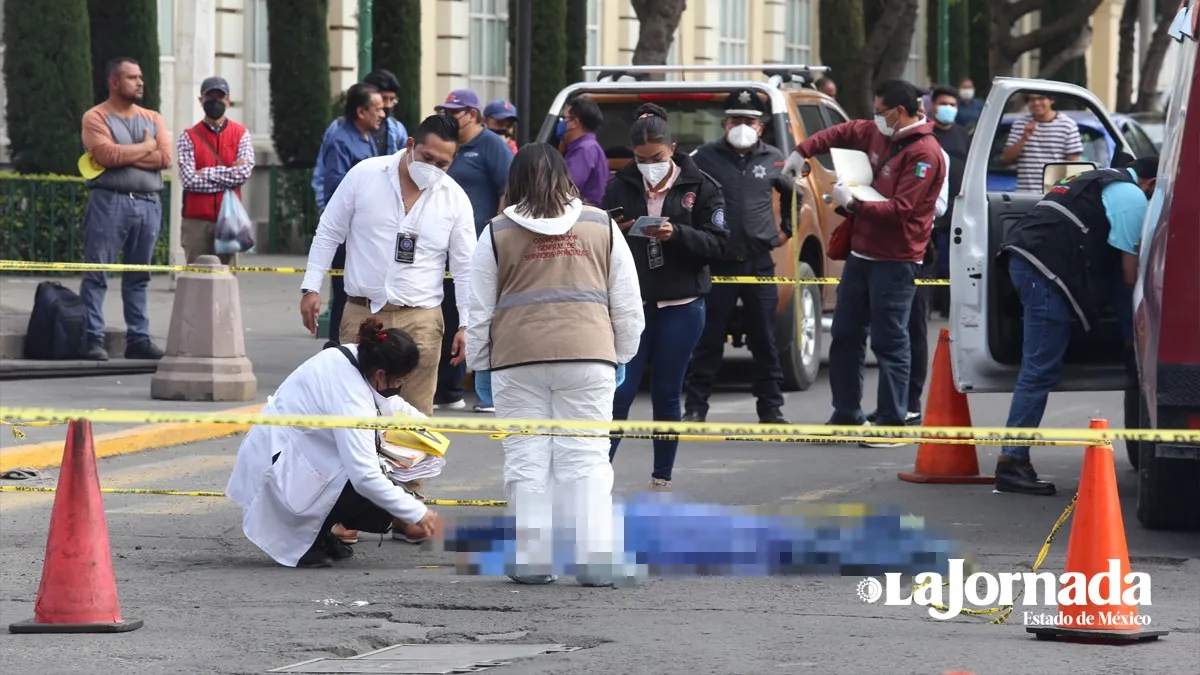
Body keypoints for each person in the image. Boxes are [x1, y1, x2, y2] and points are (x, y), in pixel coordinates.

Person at [466, 143, 645, 585]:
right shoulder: (600, 224)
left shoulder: (495, 232)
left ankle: (530, 561)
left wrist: (480, 366)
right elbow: (626, 302)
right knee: (585, 460)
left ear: (515, 183)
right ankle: (595, 562)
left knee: (526, 460)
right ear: (567, 176)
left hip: (516, 361)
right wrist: (621, 355)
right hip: (589, 357)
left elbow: (478, 311)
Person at [781, 79, 946, 447]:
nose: (875, 119)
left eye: (880, 111)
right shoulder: (876, 131)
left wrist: (853, 203)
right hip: (861, 253)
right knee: (844, 336)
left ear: (900, 112)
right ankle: (846, 414)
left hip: (896, 259)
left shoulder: (925, 154)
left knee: (890, 342)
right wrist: (801, 151)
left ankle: (891, 422)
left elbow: (901, 210)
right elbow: (843, 130)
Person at [994, 156, 1158, 496]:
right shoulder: (1132, 197)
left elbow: (1113, 272)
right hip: (1044, 270)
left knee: (1039, 367)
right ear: (1152, 184)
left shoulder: (1095, 179)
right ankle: (1012, 463)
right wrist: (1132, 344)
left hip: (1028, 259)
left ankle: (1013, 459)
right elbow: (1129, 278)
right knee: (1039, 369)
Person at [226, 317, 444, 568]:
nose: (400, 387)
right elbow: (365, 477)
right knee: (371, 490)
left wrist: (427, 426)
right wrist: (417, 513)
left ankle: (322, 531)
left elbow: (389, 403)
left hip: (296, 451)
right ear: (381, 374)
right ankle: (312, 538)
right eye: (399, 381)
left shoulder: (356, 358)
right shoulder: (351, 401)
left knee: (375, 474)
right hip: (281, 461)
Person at [300, 113, 473, 418]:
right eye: (426, 157)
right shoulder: (364, 175)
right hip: (363, 316)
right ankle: (363, 468)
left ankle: (410, 469)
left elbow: (465, 268)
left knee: (414, 418)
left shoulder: (455, 199)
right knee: (354, 412)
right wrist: (311, 286)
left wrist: (467, 325)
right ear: (410, 145)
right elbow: (328, 231)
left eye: (442, 164)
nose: (432, 168)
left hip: (421, 320)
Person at [603, 103, 729, 491]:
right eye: (640, 159)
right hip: (632, 305)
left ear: (672, 148)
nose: (648, 165)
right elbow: (601, 237)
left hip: (682, 304)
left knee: (666, 393)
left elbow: (719, 244)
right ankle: (596, 475)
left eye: (656, 158)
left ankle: (662, 477)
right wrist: (620, 231)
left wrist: (678, 234)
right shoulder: (620, 184)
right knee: (619, 393)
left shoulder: (702, 186)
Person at [683, 89, 794, 425]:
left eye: (749, 121)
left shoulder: (775, 158)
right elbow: (686, 197)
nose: (742, 126)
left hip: (759, 261)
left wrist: (786, 230)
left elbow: (793, 194)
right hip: (718, 262)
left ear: (760, 126)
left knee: (765, 337)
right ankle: (695, 408)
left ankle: (770, 409)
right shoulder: (703, 157)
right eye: (736, 120)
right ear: (724, 124)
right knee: (708, 337)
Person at [79, 57, 172, 362]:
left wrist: (129, 155)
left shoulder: (153, 117)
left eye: (140, 77)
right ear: (114, 82)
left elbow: (165, 159)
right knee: (97, 273)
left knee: (139, 276)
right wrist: (146, 148)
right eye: (132, 77)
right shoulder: (95, 117)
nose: (140, 82)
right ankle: (92, 338)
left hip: (148, 203)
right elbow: (106, 155)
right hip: (109, 201)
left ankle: (139, 338)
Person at [432, 90, 513, 413]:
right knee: (450, 317)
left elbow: (508, 189)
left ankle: (488, 393)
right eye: (446, 110)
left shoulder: (492, 145)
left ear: (474, 114)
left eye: (457, 111)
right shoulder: (446, 145)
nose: (451, 116)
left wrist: (498, 233)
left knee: (484, 318)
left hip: (481, 247)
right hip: (444, 250)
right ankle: (448, 389)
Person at [313, 83, 388, 346]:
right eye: (377, 109)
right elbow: (337, 188)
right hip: (347, 232)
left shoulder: (368, 137)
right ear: (360, 111)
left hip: (364, 233)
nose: (383, 115)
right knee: (344, 295)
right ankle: (337, 347)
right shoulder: (341, 141)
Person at [176, 76, 256, 266]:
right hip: (196, 222)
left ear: (228, 100)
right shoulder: (188, 137)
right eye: (209, 96)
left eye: (219, 96)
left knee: (226, 281)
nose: (215, 101)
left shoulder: (241, 133)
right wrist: (228, 173)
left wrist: (204, 173)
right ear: (200, 100)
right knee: (196, 280)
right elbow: (188, 180)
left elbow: (243, 173)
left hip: (230, 219)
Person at [313, 70, 410, 209]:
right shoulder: (340, 135)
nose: (387, 107)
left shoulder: (396, 130)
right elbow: (329, 183)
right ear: (362, 110)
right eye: (383, 100)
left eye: (392, 99)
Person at [928, 85, 970, 318]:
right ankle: (928, 301)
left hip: (958, 205)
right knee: (931, 257)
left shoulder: (963, 134)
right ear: (933, 105)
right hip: (932, 205)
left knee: (953, 257)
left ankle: (947, 304)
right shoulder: (926, 132)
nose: (948, 109)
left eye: (952, 105)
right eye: (943, 104)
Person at [1001, 93, 1083, 194]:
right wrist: (1024, 138)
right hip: (1025, 195)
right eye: (1031, 100)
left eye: (1041, 98)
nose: (1036, 103)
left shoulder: (1067, 125)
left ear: (1051, 100)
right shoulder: (1020, 123)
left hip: (1055, 194)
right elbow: (1007, 158)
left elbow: (1073, 165)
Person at [557, 94, 610, 208]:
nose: (562, 123)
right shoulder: (588, 147)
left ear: (575, 122)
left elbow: (565, 189)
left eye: (564, 118)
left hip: (583, 216)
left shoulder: (584, 149)